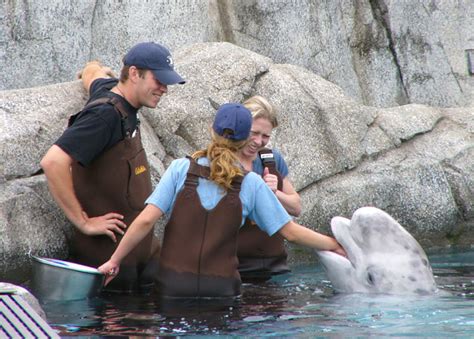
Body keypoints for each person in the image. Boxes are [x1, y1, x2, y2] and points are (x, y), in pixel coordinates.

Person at [98, 103, 346, 300]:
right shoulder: (251, 183)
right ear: (243, 141)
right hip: (222, 292)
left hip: (172, 289)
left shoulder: (180, 169)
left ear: (212, 130)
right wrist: (335, 244)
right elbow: (291, 233)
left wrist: (114, 261)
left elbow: (145, 221)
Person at [40, 42, 185, 293]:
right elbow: (53, 162)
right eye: (158, 80)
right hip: (110, 267)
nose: (164, 89)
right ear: (134, 74)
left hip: (141, 255)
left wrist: (93, 66)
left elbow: (94, 75)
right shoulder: (103, 116)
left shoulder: (109, 89)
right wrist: (83, 221)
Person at [237, 96, 300, 282]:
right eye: (253, 133)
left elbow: (296, 207)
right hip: (234, 266)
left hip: (274, 265)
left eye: (265, 136)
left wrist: (273, 193)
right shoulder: (224, 161)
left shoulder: (270, 159)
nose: (258, 141)